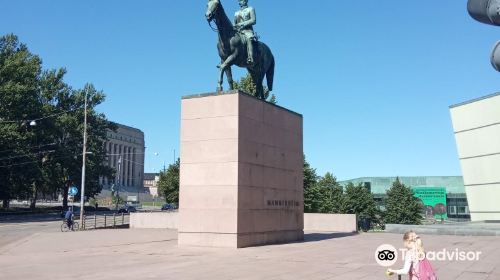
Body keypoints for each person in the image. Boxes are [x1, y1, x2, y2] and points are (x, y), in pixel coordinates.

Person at [234, 0, 257, 65]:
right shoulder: (236, 12)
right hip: (238, 31)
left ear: (245, 1)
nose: (240, 2)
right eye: (239, 1)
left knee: (249, 39)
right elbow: (234, 23)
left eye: (241, 0)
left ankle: (250, 57)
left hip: (247, 31)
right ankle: (224, 58)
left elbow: (253, 20)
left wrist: (242, 24)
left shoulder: (250, 9)